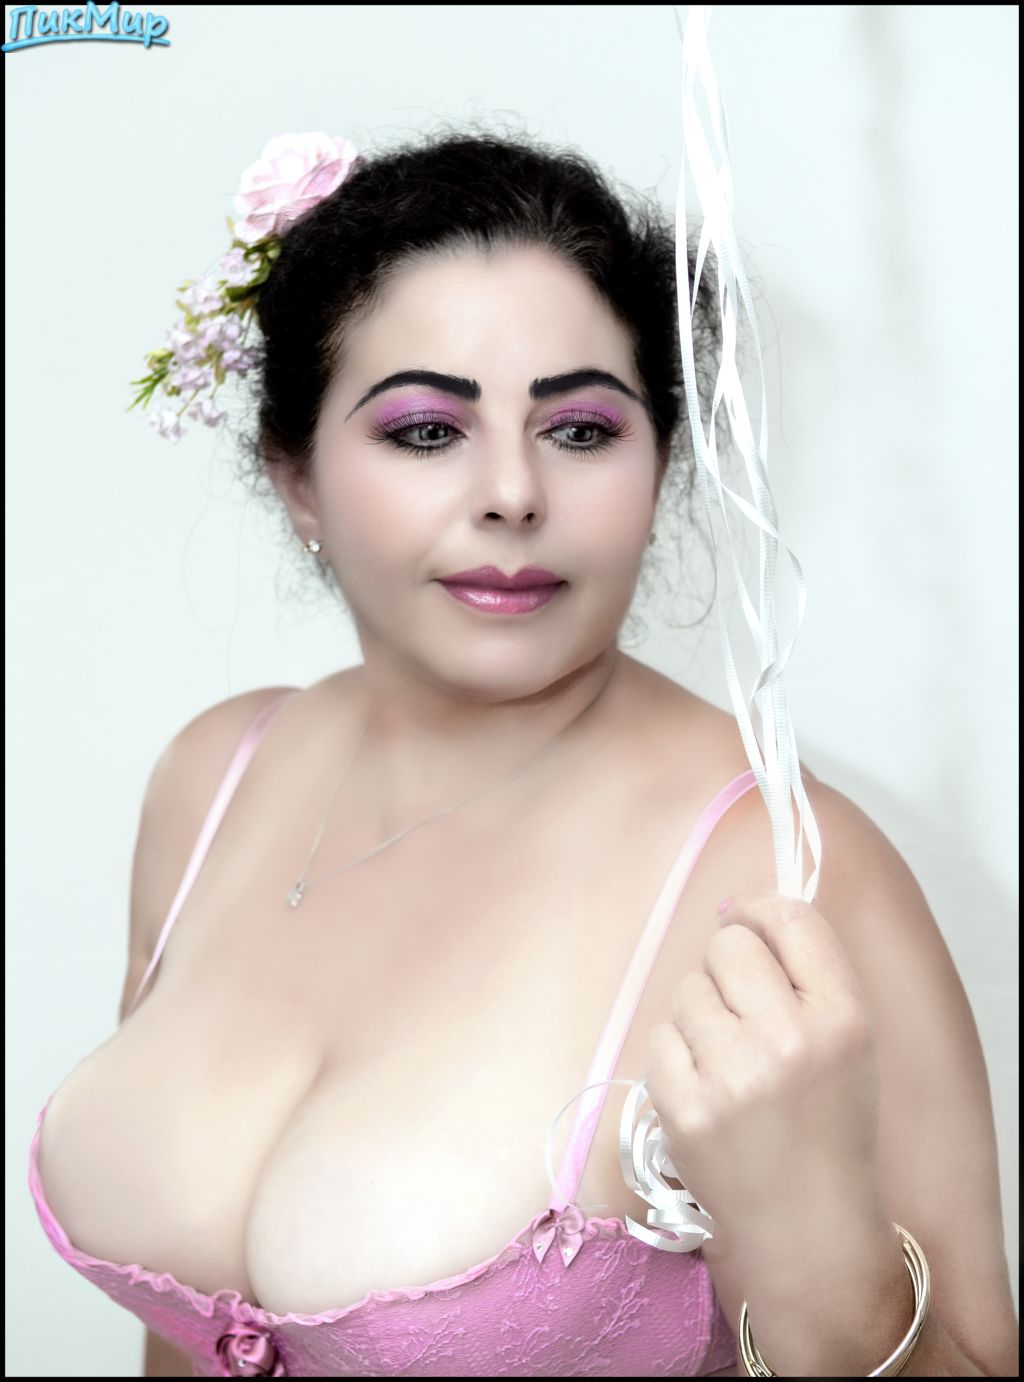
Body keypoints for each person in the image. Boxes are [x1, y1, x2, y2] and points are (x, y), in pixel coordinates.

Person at [29, 124, 1018, 1378]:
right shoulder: (215, 780)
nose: (512, 492)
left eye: (583, 429)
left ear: (661, 465)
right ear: (298, 477)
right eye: (425, 430)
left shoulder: (790, 870)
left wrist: (819, 1246)